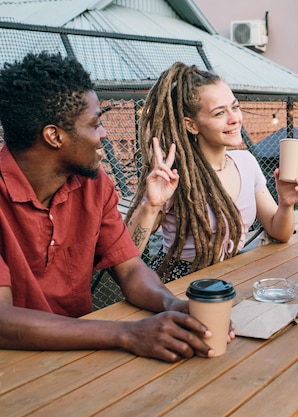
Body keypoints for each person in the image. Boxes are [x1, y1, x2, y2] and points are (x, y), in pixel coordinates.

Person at [0, 51, 232, 363]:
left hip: (78, 356)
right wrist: (127, 333)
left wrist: (174, 307)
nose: (104, 134)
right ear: (54, 136)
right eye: (95, 124)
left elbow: (132, 269)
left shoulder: (94, 185)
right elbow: (2, 321)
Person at [125, 62, 298, 282]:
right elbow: (127, 256)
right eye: (219, 113)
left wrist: (286, 203)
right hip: (181, 285)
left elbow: (279, 232)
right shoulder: (175, 176)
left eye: (234, 107)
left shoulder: (246, 162)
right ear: (191, 125)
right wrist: (151, 205)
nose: (234, 118)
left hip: (232, 276)